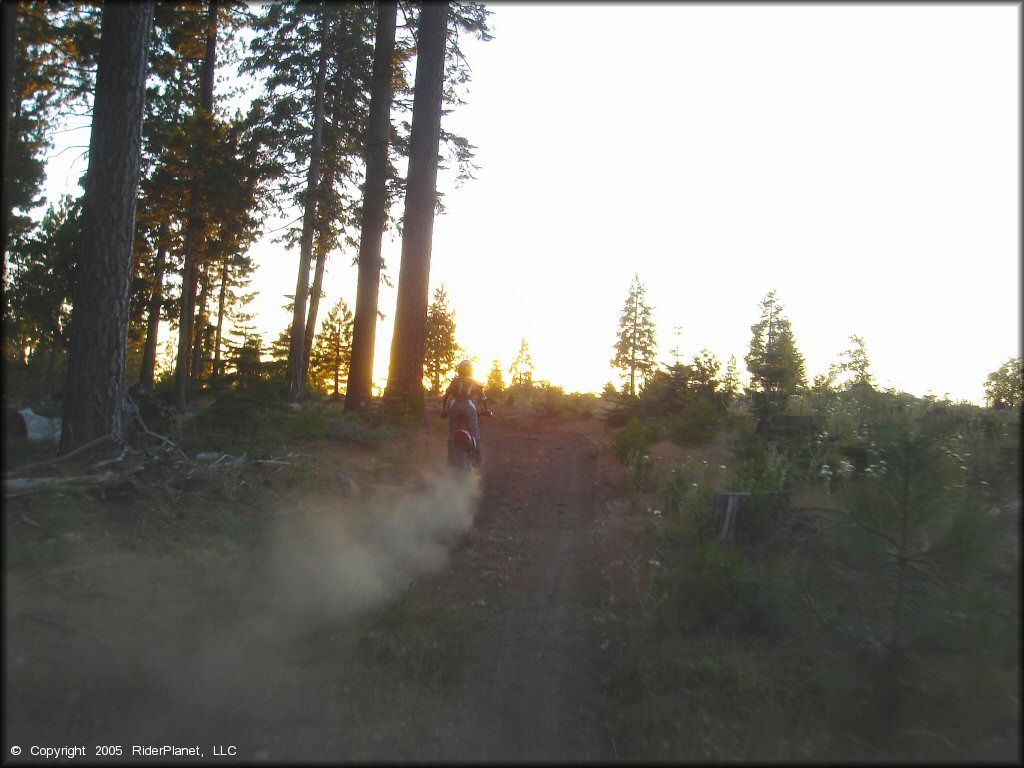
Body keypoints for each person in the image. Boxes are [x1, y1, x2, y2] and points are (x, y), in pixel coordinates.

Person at [440, 359, 491, 467]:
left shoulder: (455, 381)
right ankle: (478, 458)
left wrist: (444, 411)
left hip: (455, 407)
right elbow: (483, 398)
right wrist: (486, 410)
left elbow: (446, 397)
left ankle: (451, 460)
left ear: (459, 370)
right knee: (474, 430)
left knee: (452, 432)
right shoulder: (475, 382)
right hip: (469, 407)